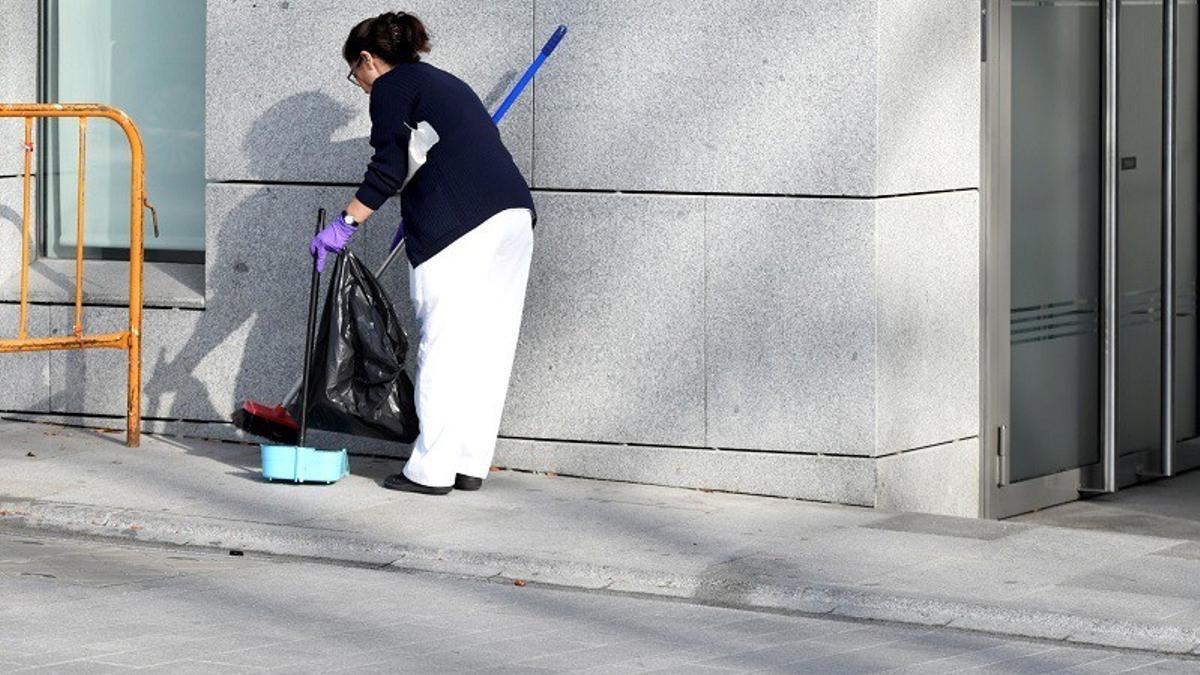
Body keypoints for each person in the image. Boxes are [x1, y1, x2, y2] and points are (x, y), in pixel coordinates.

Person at [309, 11, 536, 495]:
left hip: (458, 226)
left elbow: (389, 166)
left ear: (368, 59)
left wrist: (345, 224)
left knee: (444, 343)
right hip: (513, 217)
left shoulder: (393, 87)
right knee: (488, 345)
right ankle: (469, 463)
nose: (364, 86)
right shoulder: (443, 83)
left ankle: (430, 470)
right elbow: (434, 154)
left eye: (358, 75)